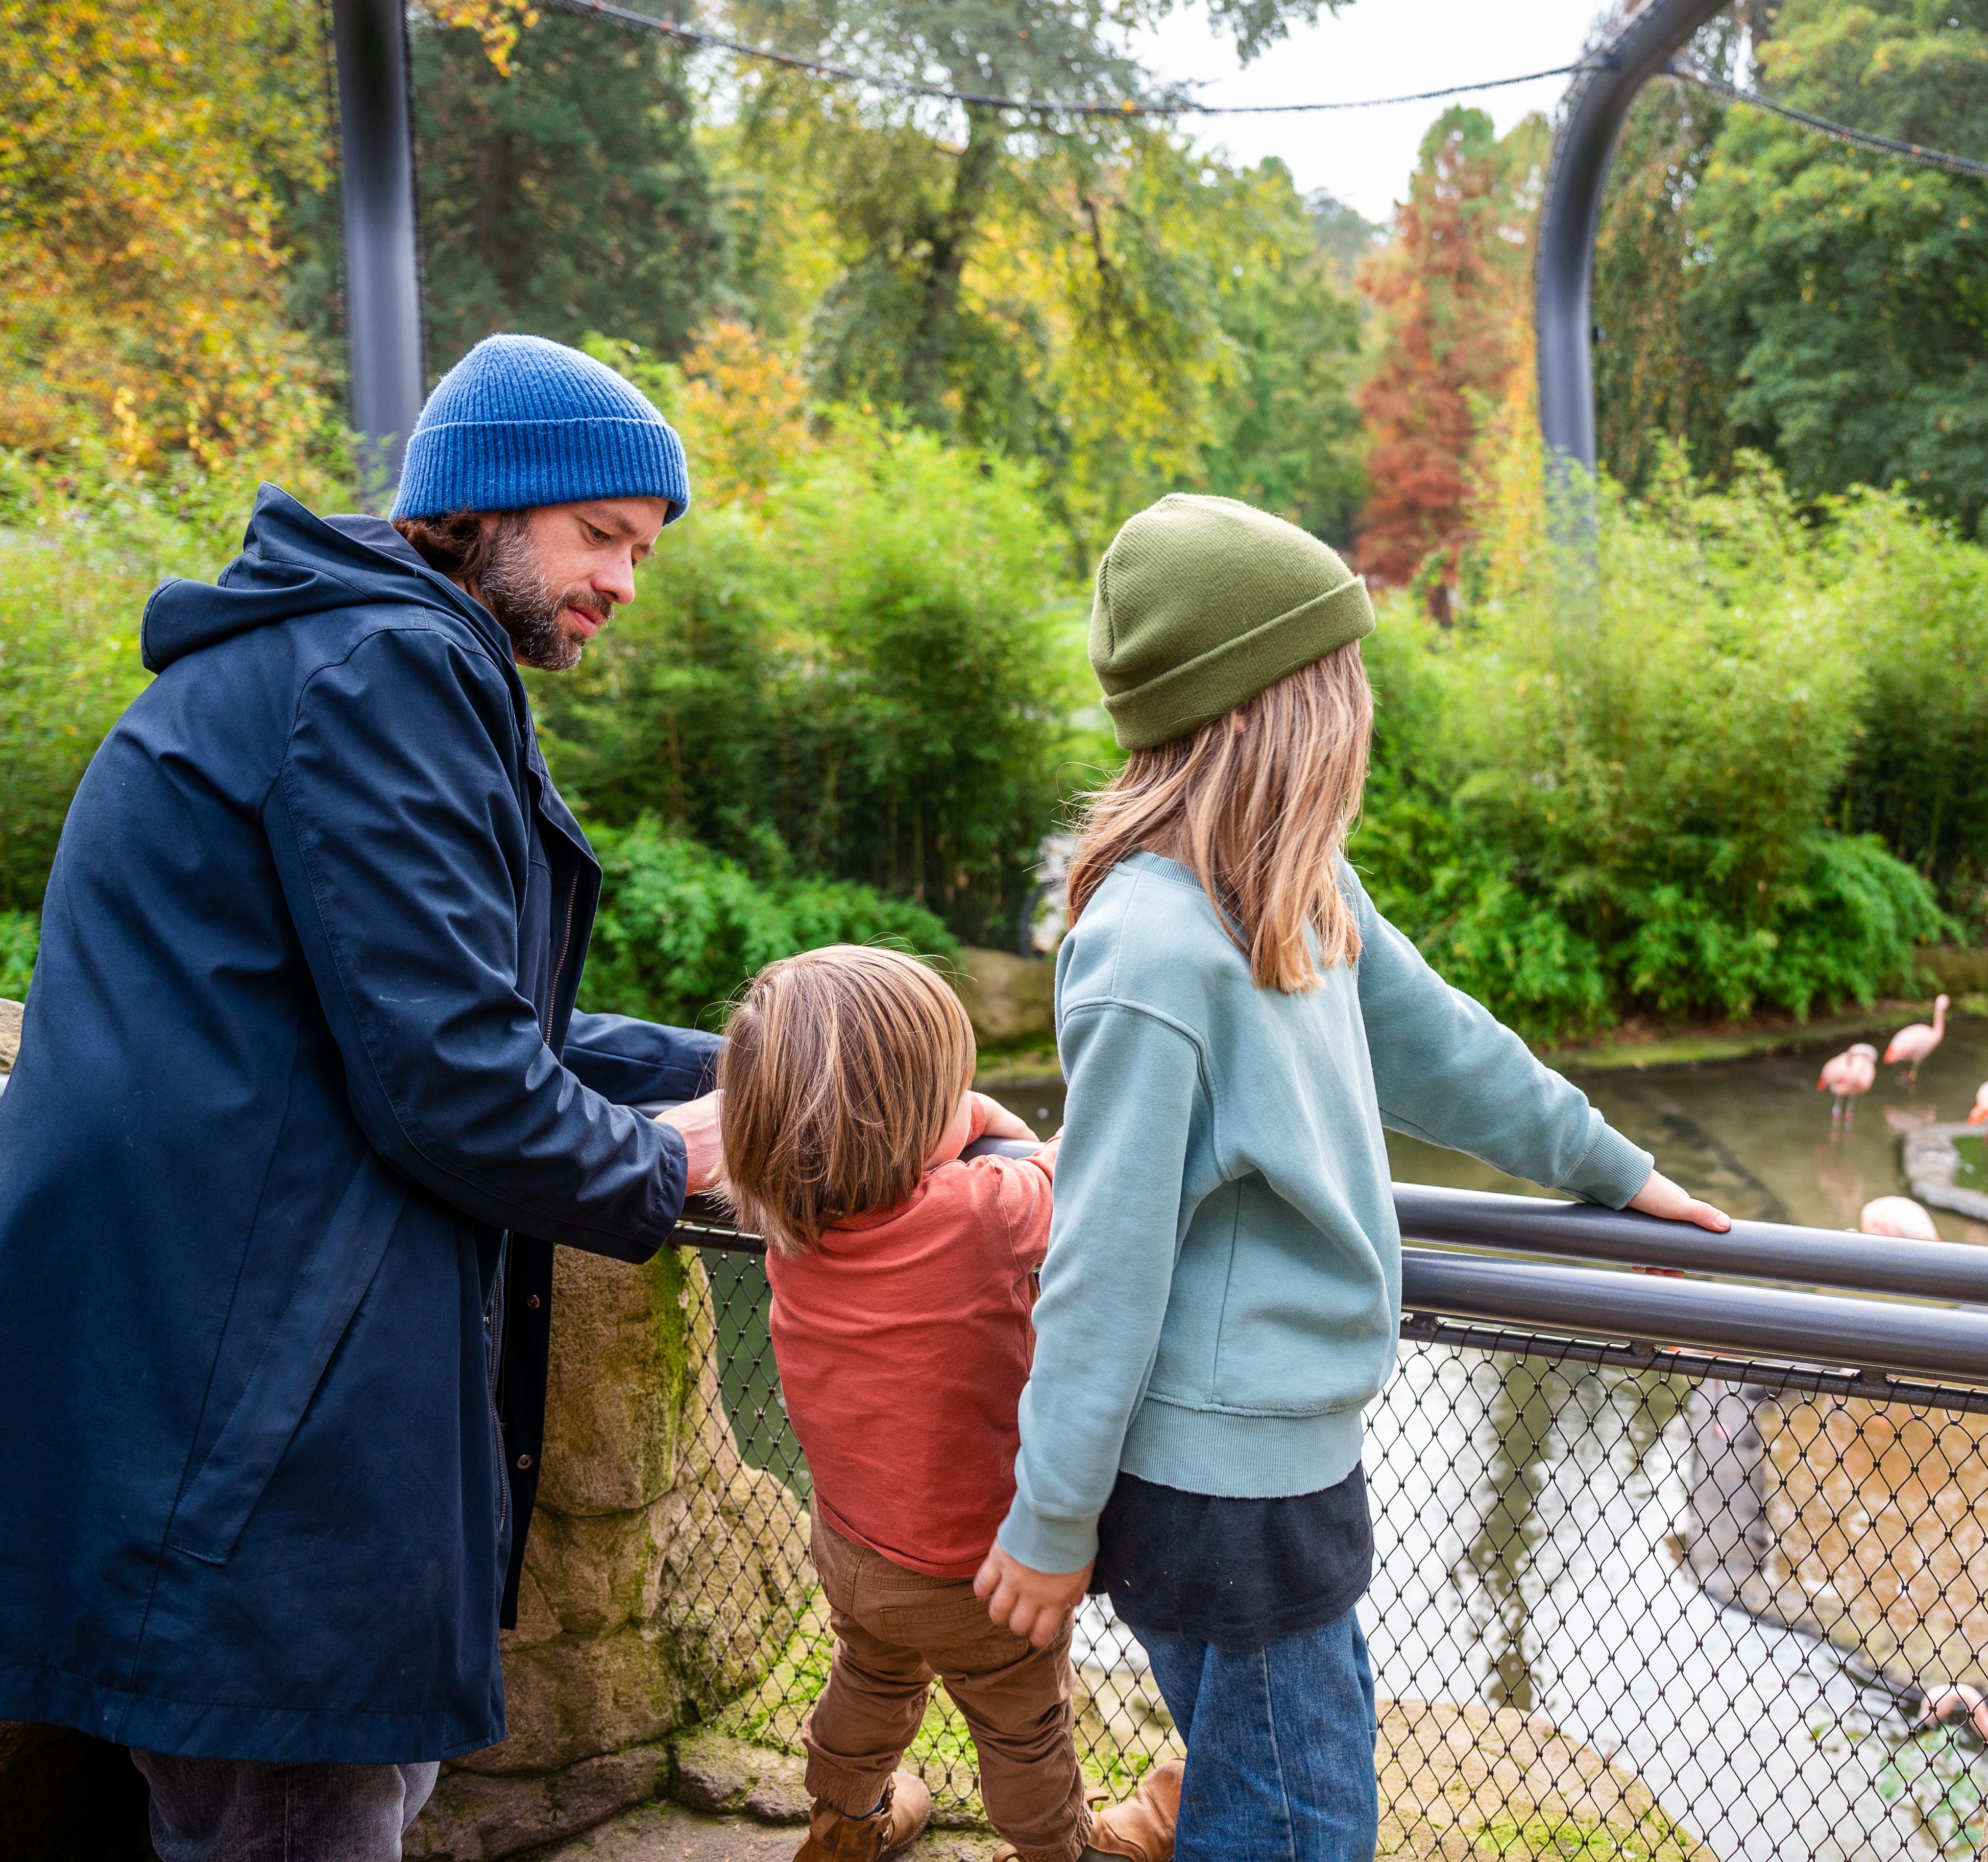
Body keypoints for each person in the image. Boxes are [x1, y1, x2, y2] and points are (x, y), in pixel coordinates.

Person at [0, 335, 730, 1861]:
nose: (625, 586)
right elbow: (453, 1076)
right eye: (602, 537)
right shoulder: (387, 667)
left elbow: (472, 1009)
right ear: (488, 503)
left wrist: (758, 1073)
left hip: (217, 1364)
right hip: (255, 1403)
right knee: (299, 1820)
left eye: (640, 552)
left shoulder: (342, 650)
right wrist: (667, 1164)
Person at [971, 496, 1734, 1861]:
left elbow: (1446, 1053)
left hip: (1287, 1464)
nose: (1362, 702)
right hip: (1218, 1489)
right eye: (1340, 671)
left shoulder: (1300, 887)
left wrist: (1618, 1171)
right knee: (1299, 1828)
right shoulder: (1155, 949)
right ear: (1259, 703)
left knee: (1283, 1801)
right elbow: (1104, 1255)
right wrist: (1049, 1519)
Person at [723, 944, 1186, 1862]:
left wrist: (948, 1112)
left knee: (870, 1674)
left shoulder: (787, 1219)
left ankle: (842, 1823)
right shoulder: (980, 1211)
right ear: (916, 1119)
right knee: (1022, 1728)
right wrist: (981, 1117)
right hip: (977, 1569)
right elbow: (1074, 1166)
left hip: (852, 1544)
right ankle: (1061, 1847)